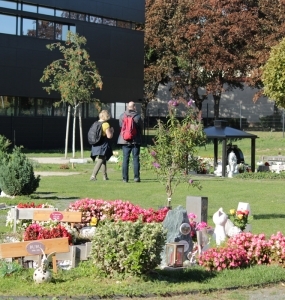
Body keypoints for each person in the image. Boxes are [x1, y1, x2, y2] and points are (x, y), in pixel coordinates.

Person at [117, 101, 142, 183]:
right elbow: (140, 127)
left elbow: (121, 126)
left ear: (127, 107)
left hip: (124, 141)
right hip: (135, 141)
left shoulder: (122, 116)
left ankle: (125, 178)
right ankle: (136, 177)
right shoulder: (137, 116)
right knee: (135, 159)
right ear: (134, 107)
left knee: (125, 159)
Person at [90, 110, 114, 181]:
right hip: (102, 144)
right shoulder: (105, 124)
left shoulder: (95, 123)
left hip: (96, 143)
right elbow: (109, 136)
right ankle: (93, 175)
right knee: (101, 159)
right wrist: (112, 131)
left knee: (103, 158)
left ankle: (105, 176)